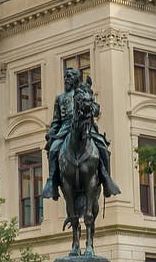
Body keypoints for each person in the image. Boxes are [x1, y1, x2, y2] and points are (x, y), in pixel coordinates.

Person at [41, 64, 122, 200]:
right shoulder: (60, 98)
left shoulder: (84, 93)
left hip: (86, 127)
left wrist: (90, 107)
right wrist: (51, 134)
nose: (66, 79)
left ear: (76, 79)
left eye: (69, 77)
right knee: (54, 149)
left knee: (102, 147)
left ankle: (107, 180)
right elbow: (56, 120)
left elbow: (96, 109)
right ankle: (52, 182)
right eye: (65, 77)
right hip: (65, 130)